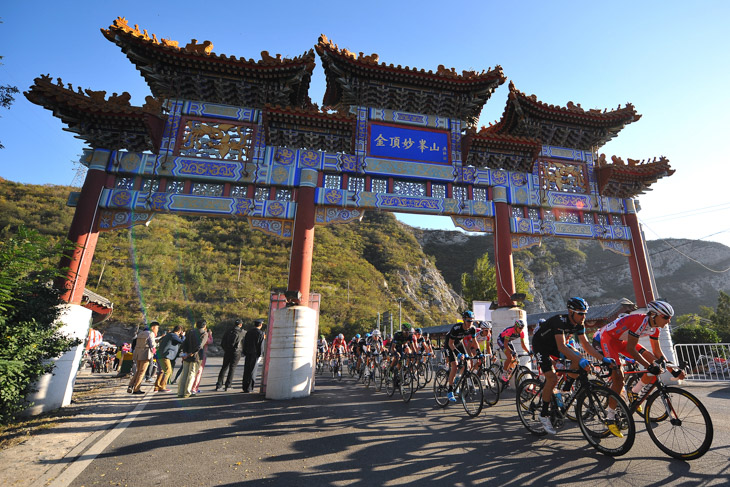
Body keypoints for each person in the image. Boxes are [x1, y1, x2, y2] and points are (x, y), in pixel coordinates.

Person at [531, 297, 610, 435]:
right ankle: (543, 415)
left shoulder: (580, 324)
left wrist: (604, 358)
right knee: (552, 378)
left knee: (578, 356)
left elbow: (586, 345)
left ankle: (565, 390)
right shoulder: (559, 321)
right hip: (541, 346)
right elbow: (562, 347)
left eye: (585, 313)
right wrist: (580, 360)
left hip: (555, 345)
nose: (583, 316)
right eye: (580, 313)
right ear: (570, 312)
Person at [598, 300, 684, 420]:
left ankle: (634, 392)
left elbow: (657, 353)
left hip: (621, 341)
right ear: (654, 315)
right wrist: (649, 366)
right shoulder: (639, 321)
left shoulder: (656, 328)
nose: (669, 321)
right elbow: (631, 349)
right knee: (619, 378)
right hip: (606, 338)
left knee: (653, 361)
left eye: (670, 318)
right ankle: (610, 417)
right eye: (666, 317)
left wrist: (673, 369)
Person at [444, 311, 478, 402]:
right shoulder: (456, 328)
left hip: (459, 343)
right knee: (454, 365)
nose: (470, 323)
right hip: (449, 344)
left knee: (468, 364)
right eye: (468, 321)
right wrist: (458, 354)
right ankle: (450, 390)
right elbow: (450, 344)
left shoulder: (472, 328)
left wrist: (479, 352)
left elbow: (475, 342)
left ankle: (458, 378)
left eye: (472, 321)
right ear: (463, 320)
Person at [178, 320, 209, 398]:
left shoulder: (191, 332)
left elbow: (184, 343)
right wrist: (191, 353)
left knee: (184, 374)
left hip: (186, 355)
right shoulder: (204, 333)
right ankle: (187, 392)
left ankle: (180, 392)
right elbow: (200, 346)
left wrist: (185, 353)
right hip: (196, 356)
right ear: (204, 326)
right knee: (191, 374)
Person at [127, 322, 159, 394]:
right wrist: (154, 352)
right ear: (153, 327)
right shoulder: (151, 334)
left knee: (138, 371)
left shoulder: (140, 333)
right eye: (157, 328)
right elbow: (152, 346)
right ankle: (136, 388)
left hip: (138, 353)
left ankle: (130, 385)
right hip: (145, 354)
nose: (157, 330)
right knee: (142, 372)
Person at [497, 319, 531, 384]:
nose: (521, 330)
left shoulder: (521, 333)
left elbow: (523, 345)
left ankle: (508, 372)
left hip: (508, 341)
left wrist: (528, 352)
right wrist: (511, 351)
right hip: (501, 340)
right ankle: (503, 374)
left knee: (515, 357)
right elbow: (505, 344)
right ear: (515, 326)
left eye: (522, 328)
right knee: (509, 357)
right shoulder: (510, 331)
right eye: (520, 328)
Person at [216, 319, 245, 391]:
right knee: (232, 368)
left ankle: (219, 385)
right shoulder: (242, 332)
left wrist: (226, 349)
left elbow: (222, 343)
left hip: (227, 351)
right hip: (236, 352)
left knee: (224, 367)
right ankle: (228, 385)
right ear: (240, 325)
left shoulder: (228, 331)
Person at [154, 325, 184, 392]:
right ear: (179, 331)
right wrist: (183, 336)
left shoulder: (168, 335)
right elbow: (182, 342)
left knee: (162, 371)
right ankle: (163, 386)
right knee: (168, 371)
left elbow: (159, 340)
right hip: (166, 355)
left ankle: (157, 386)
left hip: (161, 354)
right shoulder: (173, 335)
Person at [242, 319, 265, 392]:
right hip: (255, 354)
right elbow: (261, 345)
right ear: (261, 325)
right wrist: (260, 354)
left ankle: (245, 387)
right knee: (253, 371)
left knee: (246, 370)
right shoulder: (260, 333)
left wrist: (244, 352)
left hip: (248, 352)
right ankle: (250, 388)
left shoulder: (249, 332)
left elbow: (245, 343)